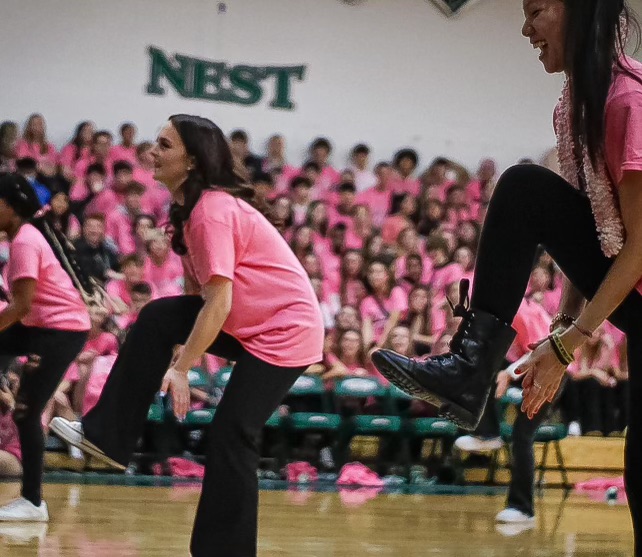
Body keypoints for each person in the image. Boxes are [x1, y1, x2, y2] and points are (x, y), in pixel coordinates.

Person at [371, 1, 642, 551]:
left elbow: (637, 248)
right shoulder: (577, 106)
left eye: (537, 9)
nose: (525, 27)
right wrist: (560, 330)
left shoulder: (627, 100)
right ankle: (470, 369)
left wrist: (571, 343)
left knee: (522, 188)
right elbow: (590, 232)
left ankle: (470, 370)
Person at [50, 114, 324, 557]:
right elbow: (196, 298)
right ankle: (108, 437)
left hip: (285, 333)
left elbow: (218, 302)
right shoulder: (187, 213)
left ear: (192, 161)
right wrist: (158, 340)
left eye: (164, 145)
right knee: (157, 316)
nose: (151, 151)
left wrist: (182, 367)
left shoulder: (213, 211)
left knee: (234, 432)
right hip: (249, 323)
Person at [0, 173, 90, 521]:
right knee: (24, 408)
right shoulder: (24, 237)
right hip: (40, 327)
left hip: (60, 332)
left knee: (26, 410)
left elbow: (20, 306)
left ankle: (33, 502)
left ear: (10, 207)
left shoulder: (25, 241)